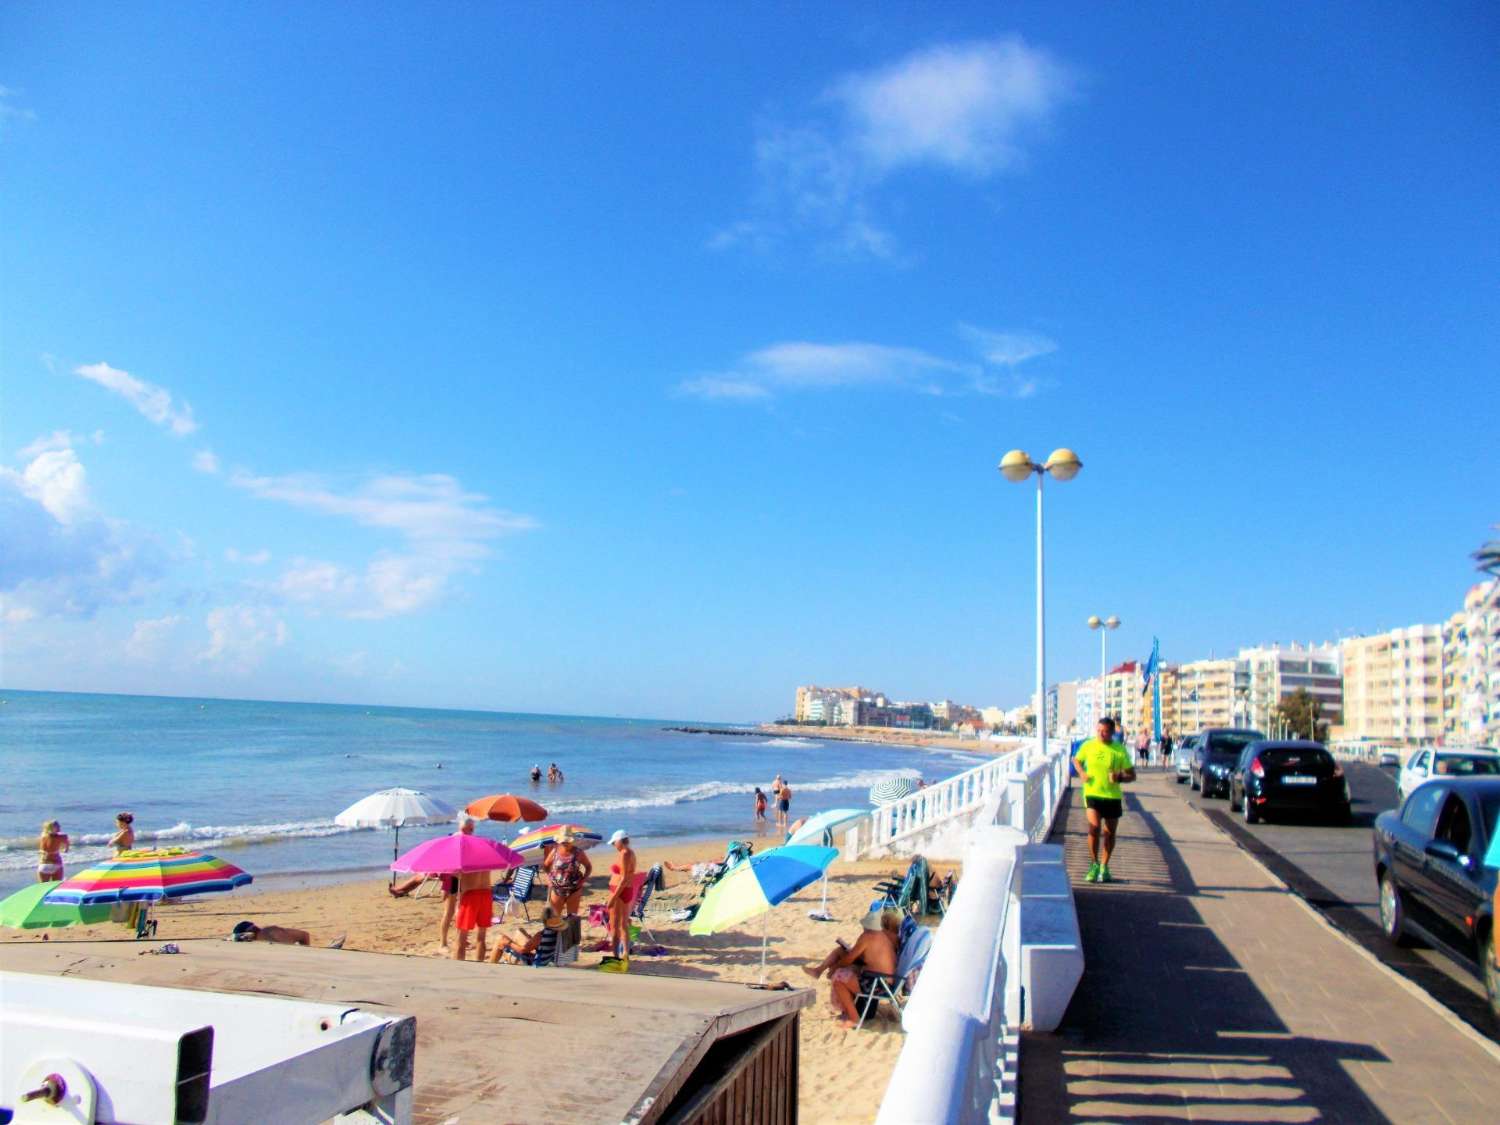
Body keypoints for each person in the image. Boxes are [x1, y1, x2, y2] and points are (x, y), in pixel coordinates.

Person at [802, 909, 900, 1030]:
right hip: (883, 981)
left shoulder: (868, 936)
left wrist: (835, 967)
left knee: (839, 980)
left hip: (879, 984)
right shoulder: (881, 936)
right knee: (843, 970)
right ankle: (848, 1011)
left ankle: (854, 1018)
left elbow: (849, 958)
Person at [1074, 717, 1136, 884]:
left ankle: (1104, 867)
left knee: (1109, 833)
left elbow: (1132, 775)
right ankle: (1093, 864)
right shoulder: (1089, 745)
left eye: (1105, 731)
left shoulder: (1119, 750)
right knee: (1094, 828)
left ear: (1112, 732)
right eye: (1098, 730)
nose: (1101, 734)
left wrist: (1119, 776)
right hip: (1092, 793)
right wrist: (1081, 772)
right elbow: (1076, 759)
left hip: (1112, 796)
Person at [452, 815, 493, 962]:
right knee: (481, 936)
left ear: (470, 829)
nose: (461, 834)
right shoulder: (483, 846)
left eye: (463, 830)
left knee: (461, 937)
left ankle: (458, 967)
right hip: (486, 893)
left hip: (471, 895)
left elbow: (457, 874)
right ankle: (479, 965)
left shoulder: (464, 849)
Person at [600, 829, 637, 972]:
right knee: (623, 924)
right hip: (625, 891)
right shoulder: (630, 852)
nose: (613, 846)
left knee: (615, 926)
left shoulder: (624, 854)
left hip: (619, 892)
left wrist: (613, 898)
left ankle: (616, 958)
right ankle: (625, 954)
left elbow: (622, 879)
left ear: (620, 841)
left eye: (614, 843)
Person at [542, 827, 592, 918]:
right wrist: (548, 878)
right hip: (557, 888)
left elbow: (588, 867)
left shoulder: (579, 852)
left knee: (572, 918)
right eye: (563, 841)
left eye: (567, 841)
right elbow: (545, 866)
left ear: (571, 840)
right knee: (555, 918)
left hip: (574, 889)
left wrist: (582, 881)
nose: (565, 843)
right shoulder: (555, 851)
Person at [488, 906, 565, 964]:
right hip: (550, 961)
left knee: (500, 939)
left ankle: (491, 966)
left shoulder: (541, 935)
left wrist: (508, 942)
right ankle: (508, 958)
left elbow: (522, 950)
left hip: (536, 963)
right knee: (520, 931)